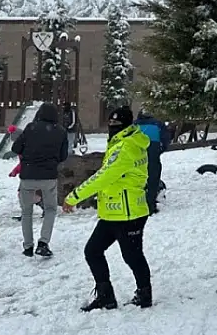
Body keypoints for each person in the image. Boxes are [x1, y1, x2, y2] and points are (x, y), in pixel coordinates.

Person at [64, 106, 153, 311]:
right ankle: (106, 296)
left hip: (129, 212)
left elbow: (105, 176)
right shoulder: (123, 142)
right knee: (93, 251)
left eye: (116, 123)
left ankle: (144, 293)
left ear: (126, 124)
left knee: (132, 256)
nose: (112, 126)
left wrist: (74, 196)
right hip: (114, 211)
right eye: (110, 123)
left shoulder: (126, 147)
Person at [10, 101, 68, 258]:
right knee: (50, 209)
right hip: (49, 177)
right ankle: (43, 243)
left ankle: (28, 246)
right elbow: (63, 156)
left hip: (28, 175)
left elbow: (16, 148)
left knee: (27, 211)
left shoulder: (31, 128)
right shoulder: (61, 132)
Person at [135, 110, 169, 215]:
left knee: (136, 180)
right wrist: (158, 151)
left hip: (136, 157)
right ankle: (150, 206)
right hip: (152, 156)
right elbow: (166, 140)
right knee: (153, 180)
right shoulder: (158, 124)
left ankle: (136, 205)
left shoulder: (134, 125)